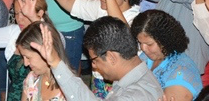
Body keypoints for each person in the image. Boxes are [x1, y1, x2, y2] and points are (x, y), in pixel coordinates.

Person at [33, 16, 163, 100]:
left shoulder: (136, 96)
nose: (93, 66)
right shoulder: (137, 78)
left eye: (94, 60)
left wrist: (56, 63)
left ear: (111, 57)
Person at [131, 10, 203, 100]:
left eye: (149, 44)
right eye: (139, 42)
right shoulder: (146, 57)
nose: (143, 48)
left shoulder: (181, 72)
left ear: (164, 40)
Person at [16, 21, 70, 101]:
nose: (25, 63)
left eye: (28, 57)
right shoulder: (32, 79)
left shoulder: (70, 89)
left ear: (44, 52)